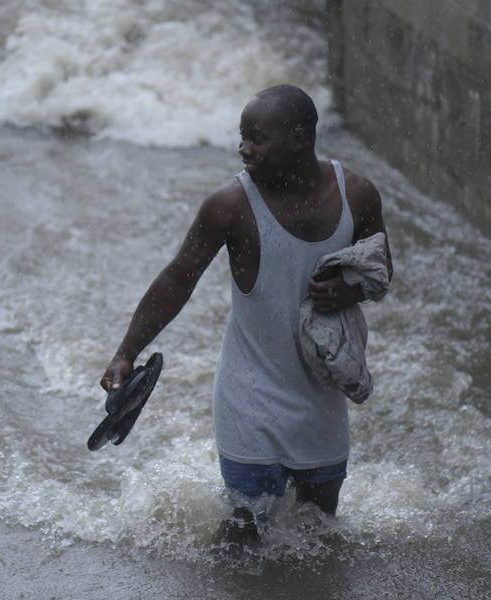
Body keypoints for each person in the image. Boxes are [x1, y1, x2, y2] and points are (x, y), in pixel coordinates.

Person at [99, 84, 392, 545]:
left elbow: (379, 268)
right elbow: (179, 278)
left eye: (257, 138)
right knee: (243, 535)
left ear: (298, 138)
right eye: (242, 136)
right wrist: (125, 352)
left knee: (319, 533)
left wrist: (348, 288)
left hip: (322, 397)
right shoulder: (229, 206)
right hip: (248, 397)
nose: (243, 148)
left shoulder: (357, 196)